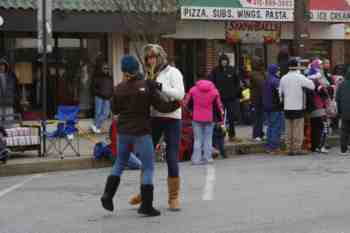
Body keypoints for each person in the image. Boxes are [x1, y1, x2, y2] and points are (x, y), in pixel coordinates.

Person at [100, 55, 180, 216]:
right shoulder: (146, 86)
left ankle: (107, 195)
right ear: (137, 68)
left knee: (120, 163)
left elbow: (114, 110)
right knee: (148, 166)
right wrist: (177, 103)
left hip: (123, 131)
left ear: (124, 71)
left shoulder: (119, 88)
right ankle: (147, 206)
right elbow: (162, 106)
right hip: (141, 131)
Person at [128, 44, 185, 211]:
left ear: (160, 57)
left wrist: (159, 86)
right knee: (146, 155)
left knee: (172, 156)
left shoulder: (173, 72)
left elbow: (180, 94)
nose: (151, 60)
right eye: (148, 58)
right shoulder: (148, 74)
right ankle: (144, 192)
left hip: (172, 118)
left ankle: (173, 197)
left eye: (153, 57)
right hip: (154, 118)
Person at [184, 79, 224, 165]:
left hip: (196, 117)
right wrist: (221, 119)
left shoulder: (193, 90)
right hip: (210, 118)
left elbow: (187, 103)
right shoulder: (214, 91)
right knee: (208, 139)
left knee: (198, 139)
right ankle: (207, 158)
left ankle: (196, 159)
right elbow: (218, 106)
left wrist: (191, 112)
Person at [279, 59, 315, 155]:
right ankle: (296, 148)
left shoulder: (283, 78)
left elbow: (280, 93)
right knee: (297, 128)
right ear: (297, 67)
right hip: (298, 106)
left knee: (288, 128)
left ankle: (288, 148)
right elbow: (312, 86)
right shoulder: (300, 77)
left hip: (287, 106)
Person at [209, 54, 241, 142]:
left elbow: (237, 82)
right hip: (219, 98)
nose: (224, 62)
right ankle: (219, 136)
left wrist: (235, 93)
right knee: (219, 118)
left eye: (225, 60)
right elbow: (211, 83)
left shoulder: (232, 69)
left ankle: (232, 135)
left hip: (231, 98)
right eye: (222, 60)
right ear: (220, 61)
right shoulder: (215, 70)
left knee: (231, 117)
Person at [307, 61, 329, 153]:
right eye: (319, 65)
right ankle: (320, 146)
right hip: (319, 107)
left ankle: (314, 146)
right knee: (323, 127)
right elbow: (324, 94)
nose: (321, 67)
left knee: (314, 128)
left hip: (312, 108)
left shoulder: (308, 81)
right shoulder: (317, 83)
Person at [263, 64, 284, 154]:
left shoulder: (266, 80)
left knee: (270, 127)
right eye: (278, 70)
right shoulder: (276, 81)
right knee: (276, 127)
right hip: (276, 107)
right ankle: (274, 147)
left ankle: (268, 146)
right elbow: (280, 95)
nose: (279, 72)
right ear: (274, 71)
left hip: (267, 107)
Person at [91, 63, 113, 134]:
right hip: (99, 97)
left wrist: (111, 95)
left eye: (107, 68)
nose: (106, 70)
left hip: (107, 98)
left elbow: (111, 87)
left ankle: (95, 125)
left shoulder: (110, 77)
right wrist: (99, 93)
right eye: (104, 68)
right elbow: (93, 88)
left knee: (106, 113)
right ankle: (97, 128)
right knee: (98, 113)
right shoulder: (97, 77)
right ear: (101, 69)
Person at [336, 67, 350, 155]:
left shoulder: (341, 84)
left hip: (344, 111)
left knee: (344, 130)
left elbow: (337, 99)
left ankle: (343, 149)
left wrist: (339, 112)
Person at [0, 57, 18, 127]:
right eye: (0, 65)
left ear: (6, 66)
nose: (1, 67)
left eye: (3, 65)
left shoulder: (11, 76)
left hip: (9, 103)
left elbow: (15, 89)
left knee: (9, 124)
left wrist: (14, 97)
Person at [250, 57, 265, 141]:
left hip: (260, 98)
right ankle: (256, 134)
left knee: (261, 117)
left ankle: (260, 133)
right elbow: (262, 83)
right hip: (256, 99)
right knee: (257, 117)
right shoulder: (254, 74)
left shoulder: (260, 72)